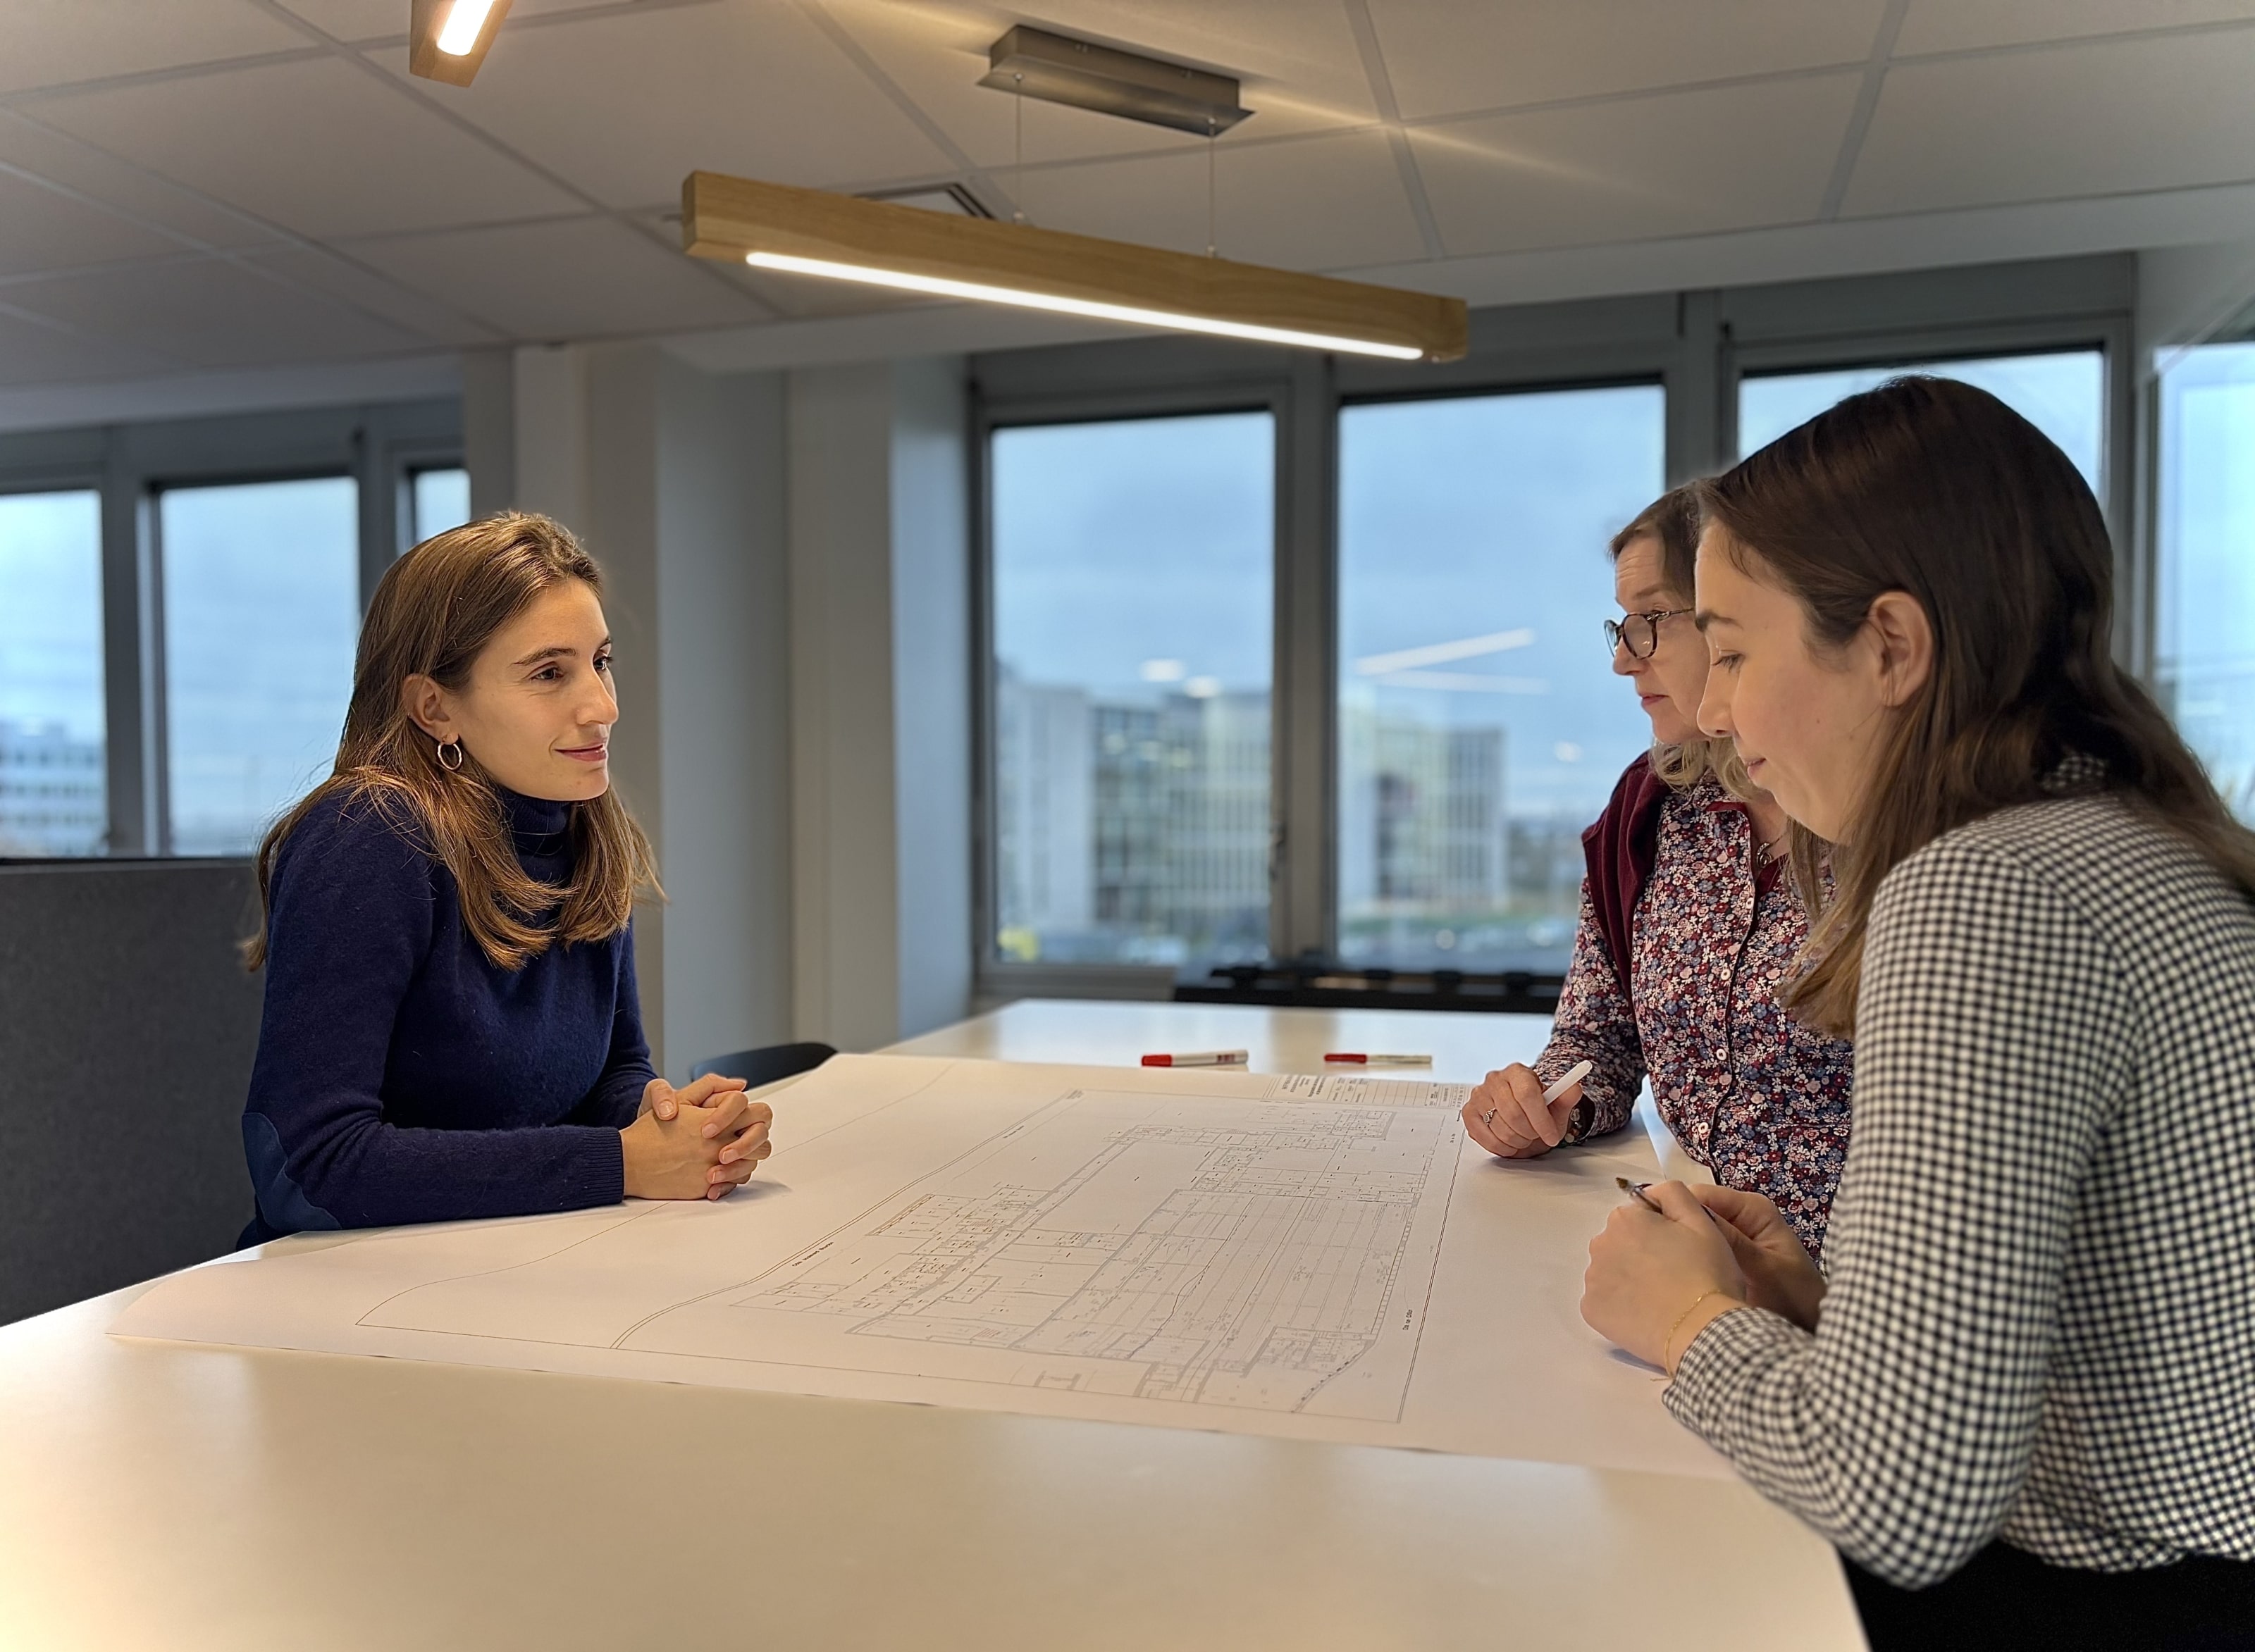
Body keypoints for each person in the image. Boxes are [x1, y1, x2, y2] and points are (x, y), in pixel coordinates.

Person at [1580, 378, 2255, 1648]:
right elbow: (2086, 1339)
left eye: (1730, 648)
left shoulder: (1984, 886)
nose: (1713, 710)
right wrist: (1815, 1304)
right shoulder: (2130, 840)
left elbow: (1900, 1497)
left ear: (1891, 646)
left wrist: (1685, 1319)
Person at [238, 512, 771, 1240]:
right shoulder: (368, 836)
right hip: (342, 1300)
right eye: (550, 673)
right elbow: (309, 1166)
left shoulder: (580, 823)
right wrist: (620, 1162)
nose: (603, 707)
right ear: (435, 708)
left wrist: (669, 1124)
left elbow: (607, 1077)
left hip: (508, 1270)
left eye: (601, 662)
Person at [1462, 487, 1855, 1255]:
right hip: (1705, 1256)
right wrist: (1546, 1104)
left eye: (1649, 620)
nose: (1620, 657)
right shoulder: (1650, 807)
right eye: (1619, 625)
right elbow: (1599, 1035)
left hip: (1874, 1298)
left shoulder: (1885, 819)